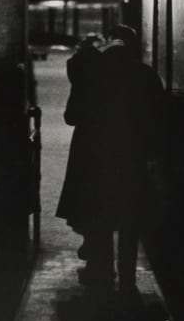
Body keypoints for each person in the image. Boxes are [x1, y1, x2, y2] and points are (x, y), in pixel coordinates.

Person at [61, 24, 166, 300]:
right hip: (132, 157)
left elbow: (71, 116)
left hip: (94, 157)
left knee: (100, 217)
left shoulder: (90, 73)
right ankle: (128, 281)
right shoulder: (146, 75)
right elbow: (159, 120)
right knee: (130, 220)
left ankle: (103, 273)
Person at [56, 33, 105, 259]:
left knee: (84, 191)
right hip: (110, 142)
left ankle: (91, 243)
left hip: (85, 141)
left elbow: (71, 116)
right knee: (102, 194)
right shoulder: (112, 75)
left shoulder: (80, 77)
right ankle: (99, 245)